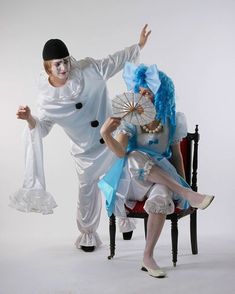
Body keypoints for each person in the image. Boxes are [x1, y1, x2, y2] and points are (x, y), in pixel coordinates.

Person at [10, 25, 151, 252]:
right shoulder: (47, 100)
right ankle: (88, 235)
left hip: (112, 140)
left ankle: (124, 221)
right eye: (58, 64)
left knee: (119, 180)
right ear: (48, 68)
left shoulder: (89, 70)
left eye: (66, 61)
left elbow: (114, 61)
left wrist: (139, 46)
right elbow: (43, 128)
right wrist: (29, 119)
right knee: (87, 190)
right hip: (85, 152)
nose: (64, 67)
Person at [98, 62, 214, 277]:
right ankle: (186, 192)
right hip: (132, 180)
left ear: (162, 94)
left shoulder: (173, 120)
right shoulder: (131, 120)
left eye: (149, 92)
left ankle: (148, 256)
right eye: (141, 91)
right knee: (134, 155)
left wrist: (182, 180)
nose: (144, 96)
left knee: (161, 198)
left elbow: (177, 155)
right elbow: (121, 152)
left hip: (160, 177)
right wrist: (106, 135)